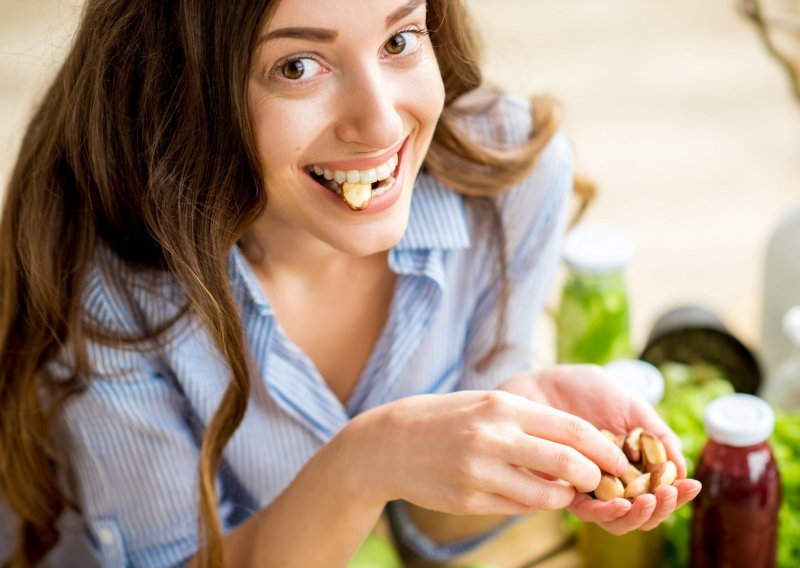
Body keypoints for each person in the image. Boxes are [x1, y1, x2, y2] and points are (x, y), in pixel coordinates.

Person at [0, 0, 701, 566]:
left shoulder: (510, 183)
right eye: (298, 65)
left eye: (399, 40)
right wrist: (366, 462)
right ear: (181, 86)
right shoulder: (106, 286)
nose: (380, 123)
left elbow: (435, 536)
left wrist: (504, 418)